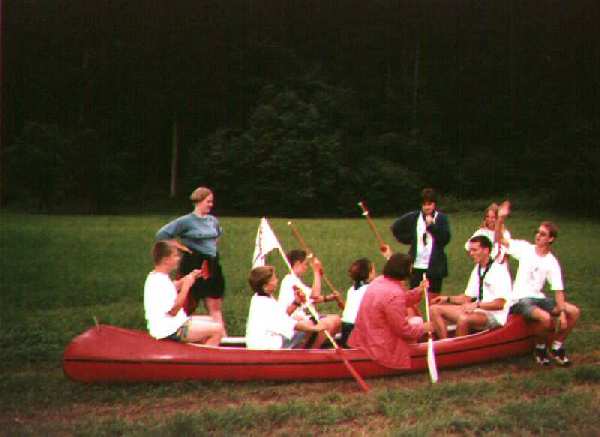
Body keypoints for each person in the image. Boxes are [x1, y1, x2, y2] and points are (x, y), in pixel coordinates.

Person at [496, 202, 580, 366]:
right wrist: (501, 218)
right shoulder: (525, 249)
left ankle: (556, 347)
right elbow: (499, 239)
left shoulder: (551, 261)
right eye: (538, 232)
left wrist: (562, 313)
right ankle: (540, 348)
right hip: (520, 299)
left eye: (543, 234)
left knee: (574, 312)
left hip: (539, 298)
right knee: (546, 318)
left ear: (550, 239)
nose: (538, 236)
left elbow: (558, 290)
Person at [155, 187, 227, 333]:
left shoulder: (212, 220)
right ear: (198, 201)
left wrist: (210, 249)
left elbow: (217, 235)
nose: (211, 205)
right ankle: (176, 331)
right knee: (187, 302)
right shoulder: (186, 221)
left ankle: (221, 336)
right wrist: (182, 247)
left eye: (212, 202)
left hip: (212, 263)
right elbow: (162, 234)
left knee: (214, 302)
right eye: (208, 201)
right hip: (193, 263)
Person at [348, 253, 430, 369]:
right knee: (417, 321)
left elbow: (401, 300)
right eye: (410, 268)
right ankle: (412, 355)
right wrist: (424, 328)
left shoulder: (379, 281)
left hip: (365, 337)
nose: (412, 270)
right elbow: (402, 330)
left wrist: (419, 290)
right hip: (380, 344)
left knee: (415, 322)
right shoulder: (394, 293)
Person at [430, 235, 511, 339]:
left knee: (464, 318)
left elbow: (500, 304)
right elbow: (467, 298)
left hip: (495, 315)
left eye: (474, 250)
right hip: (477, 311)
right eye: (470, 250)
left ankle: (458, 347)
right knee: (434, 309)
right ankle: (445, 343)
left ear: (486, 250)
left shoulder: (499, 271)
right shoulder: (477, 269)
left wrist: (477, 305)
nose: (471, 253)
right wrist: (447, 299)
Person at [143, 241, 223, 345]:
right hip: (172, 330)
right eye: (175, 256)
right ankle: (204, 355)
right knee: (217, 330)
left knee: (212, 320)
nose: (178, 259)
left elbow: (172, 286)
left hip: (172, 325)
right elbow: (174, 311)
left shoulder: (156, 276)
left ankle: (200, 349)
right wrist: (186, 286)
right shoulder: (159, 282)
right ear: (166, 260)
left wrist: (190, 277)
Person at [245, 266, 330, 349]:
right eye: (273, 279)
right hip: (268, 347)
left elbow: (282, 316)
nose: (277, 280)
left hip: (265, 344)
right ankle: (305, 355)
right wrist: (314, 328)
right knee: (310, 325)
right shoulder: (266, 305)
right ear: (265, 287)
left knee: (307, 324)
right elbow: (292, 325)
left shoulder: (258, 298)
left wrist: (296, 303)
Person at [391, 188, 451, 300]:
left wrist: (431, 227)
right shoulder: (414, 217)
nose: (427, 207)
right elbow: (395, 227)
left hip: (434, 265)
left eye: (430, 204)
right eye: (424, 204)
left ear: (434, 204)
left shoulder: (441, 218)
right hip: (416, 264)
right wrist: (409, 239)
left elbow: (445, 239)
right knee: (414, 298)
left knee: (433, 298)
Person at [278, 250, 341, 336]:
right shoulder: (290, 280)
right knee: (334, 320)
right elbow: (315, 295)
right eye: (305, 264)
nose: (306, 268)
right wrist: (316, 271)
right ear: (297, 264)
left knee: (335, 321)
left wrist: (328, 298)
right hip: (294, 321)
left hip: (300, 319)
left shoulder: (293, 280)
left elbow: (311, 298)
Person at [339, 258, 376, 348]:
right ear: (369, 274)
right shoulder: (371, 289)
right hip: (358, 329)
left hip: (345, 328)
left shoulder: (351, 289)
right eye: (373, 270)